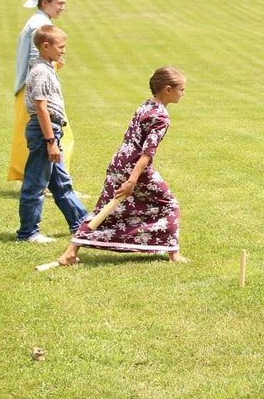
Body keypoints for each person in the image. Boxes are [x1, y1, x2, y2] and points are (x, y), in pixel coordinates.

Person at [55, 68, 189, 266]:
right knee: (169, 204)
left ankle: (69, 253)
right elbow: (147, 153)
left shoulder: (146, 106)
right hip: (135, 168)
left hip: (119, 162)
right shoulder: (161, 117)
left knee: (104, 209)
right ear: (168, 89)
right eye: (182, 89)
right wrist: (132, 181)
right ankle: (173, 254)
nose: (183, 94)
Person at [17, 25, 88, 241]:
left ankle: (82, 224)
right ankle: (28, 232)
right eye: (61, 47)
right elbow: (41, 108)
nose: (64, 51)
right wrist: (50, 141)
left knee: (61, 183)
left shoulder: (46, 68)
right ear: (45, 46)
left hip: (52, 131)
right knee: (36, 184)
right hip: (44, 132)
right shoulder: (40, 72)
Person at [9, 0, 73, 180]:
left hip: (28, 88)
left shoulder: (38, 20)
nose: (62, 7)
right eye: (59, 3)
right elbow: (34, 59)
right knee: (61, 136)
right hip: (35, 91)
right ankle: (55, 183)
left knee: (29, 135)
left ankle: (46, 181)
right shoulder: (39, 25)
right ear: (45, 2)